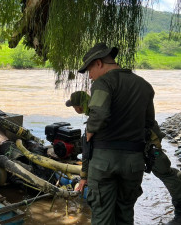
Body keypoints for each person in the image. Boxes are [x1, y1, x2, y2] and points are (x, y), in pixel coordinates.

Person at [68, 91, 181, 224]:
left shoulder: (97, 117)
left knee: (168, 175)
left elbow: (88, 152)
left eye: (74, 107)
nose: (75, 110)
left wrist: (84, 177)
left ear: (79, 107)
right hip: (138, 150)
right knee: (167, 175)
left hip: (146, 149)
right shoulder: (108, 106)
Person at [77, 43, 155, 225]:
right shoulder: (145, 86)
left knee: (102, 215)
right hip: (134, 163)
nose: (89, 76)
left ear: (98, 63)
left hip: (105, 161)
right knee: (125, 214)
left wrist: (90, 130)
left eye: (89, 70)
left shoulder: (103, 83)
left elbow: (100, 114)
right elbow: (149, 124)